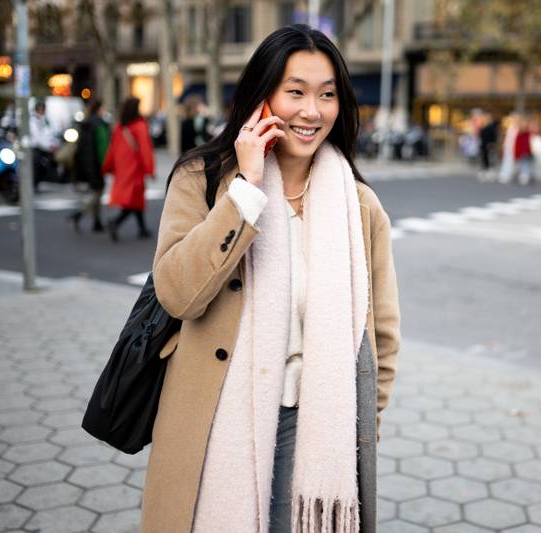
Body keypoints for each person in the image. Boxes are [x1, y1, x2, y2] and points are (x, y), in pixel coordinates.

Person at [141, 25, 401, 533]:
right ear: (263, 99)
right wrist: (246, 190)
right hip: (216, 418)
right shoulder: (202, 180)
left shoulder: (359, 206)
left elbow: (383, 338)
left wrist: (361, 428)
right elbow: (176, 292)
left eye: (327, 95)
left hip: (318, 428)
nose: (312, 111)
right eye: (296, 92)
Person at [102, 97, 155, 241]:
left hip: (122, 168)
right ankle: (116, 222)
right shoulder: (139, 125)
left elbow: (112, 150)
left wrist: (107, 167)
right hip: (135, 169)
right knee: (134, 200)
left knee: (135, 200)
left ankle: (142, 229)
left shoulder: (120, 127)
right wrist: (149, 169)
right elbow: (145, 149)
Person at [69, 99, 111, 232]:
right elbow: (102, 148)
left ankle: (96, 221)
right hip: (97, 165)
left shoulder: (86, 124)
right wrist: (106, 165)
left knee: (97, 191)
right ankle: (80, 214)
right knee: (97, 192)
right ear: (99, 109)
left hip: (87, 163)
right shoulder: (99, 125)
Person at [30, 100, 59, 186]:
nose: (42, 111)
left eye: (43, 109)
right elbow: (38, 137)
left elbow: (52, 132)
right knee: (36, 163)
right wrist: (49, 146)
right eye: (40, 109)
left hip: (46, 148)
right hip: (36, 148)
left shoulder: (46, 120)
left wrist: (54, 144)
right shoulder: (33, 121)